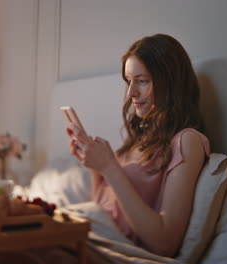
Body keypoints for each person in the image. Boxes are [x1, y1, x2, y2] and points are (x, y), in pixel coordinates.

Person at [66, 33, 210, 258]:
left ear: (170, 82)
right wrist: (95, 167)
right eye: (128, 81)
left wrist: (109, 167)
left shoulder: (186, 141)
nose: (131, 93)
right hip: (97, 237)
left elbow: (165, 242)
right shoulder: (139, 136)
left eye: (142, 81)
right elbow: (107, 211)